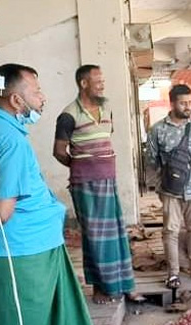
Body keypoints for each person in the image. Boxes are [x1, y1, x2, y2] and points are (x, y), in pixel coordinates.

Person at [0, 63, 101, 325]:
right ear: (16, 100)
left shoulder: (4, 130)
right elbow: (3, 211)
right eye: (35, 92)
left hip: (36, 250)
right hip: (21, 257)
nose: (42, 98)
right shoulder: (9, 141)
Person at [53, 65, 142, 305]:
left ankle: (125, 284)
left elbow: (105, 137)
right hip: (85, 184)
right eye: (98, 81)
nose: (103, 85)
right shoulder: (68, 115)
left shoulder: (107, 107)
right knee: (94, 238)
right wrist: (82, 165)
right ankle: (102, 288)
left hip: (108, 180)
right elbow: (59, 151)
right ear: (83, 84)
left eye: (103, 81)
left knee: (117, 234)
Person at [147, 84, 191, 288]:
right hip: (170, 191)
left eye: (189, 103)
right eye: (183, 103)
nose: (187, 107)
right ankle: (173, 274)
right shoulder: (158, 129)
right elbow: (152, 159)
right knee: (170, 230)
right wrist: (165, 181)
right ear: (173, 103)